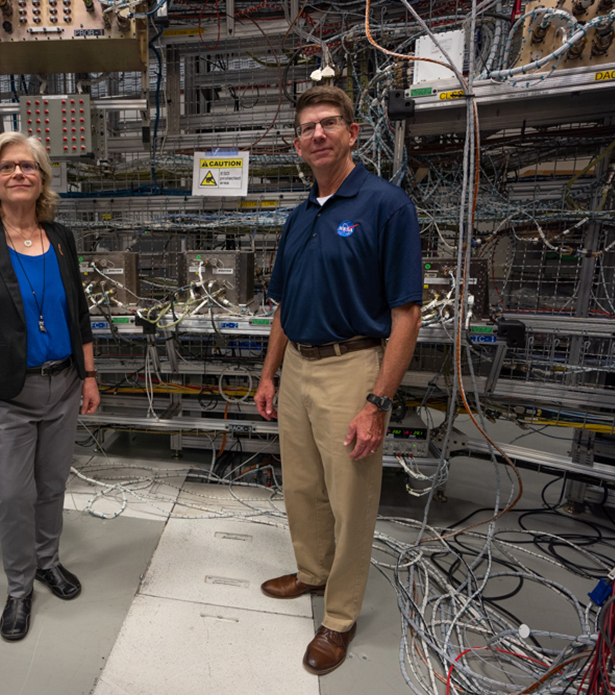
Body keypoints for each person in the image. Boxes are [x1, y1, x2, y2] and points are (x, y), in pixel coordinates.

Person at [253, 85, 422, 675]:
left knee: (351, 498)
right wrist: (270, 373)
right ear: (297, 144)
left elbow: (407, 314)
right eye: (307, 128)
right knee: (301, 485)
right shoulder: (299, 215)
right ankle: (311, 573)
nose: (317, 134)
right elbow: (281, 303)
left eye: (328, 123)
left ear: (353, 132)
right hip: (296, 365)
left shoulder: (386, 205)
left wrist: (377, 403)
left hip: (353, 367)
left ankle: (340, 617)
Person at [0, 132, 100, 642]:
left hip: (62, 386)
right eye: (7, 166)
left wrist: (90, 374)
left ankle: (47, 561)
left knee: (53, 486)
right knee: (15, 495)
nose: (19, 173)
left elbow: (77, 312)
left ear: (42, 178)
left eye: (28, 166)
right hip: (6, 396)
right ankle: (19, 588)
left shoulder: (60, 238)